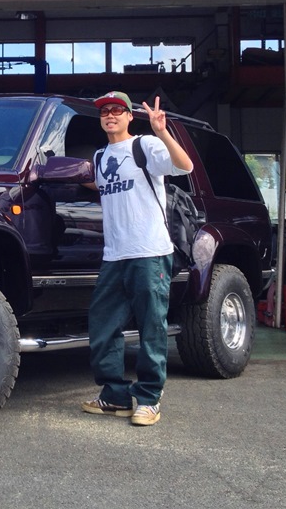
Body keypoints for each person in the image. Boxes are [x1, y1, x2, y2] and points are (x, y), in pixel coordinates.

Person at [81, 90, 194, 426]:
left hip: (149, 251)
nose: (110, 115)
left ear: (130, 116)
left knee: (151, 327)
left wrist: (162, 131)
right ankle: (114, 396)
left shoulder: (145, 145)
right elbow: (102, 184)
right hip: (115, 255)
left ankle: (149, 399)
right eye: (105, 111)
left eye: (117, 110)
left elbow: (183, 165)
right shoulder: (101, 156)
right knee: (103, 325)